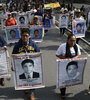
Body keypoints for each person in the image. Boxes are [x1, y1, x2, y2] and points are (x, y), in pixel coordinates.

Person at [12, 28, 40, 100]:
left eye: (26, 36)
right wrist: (13, 65)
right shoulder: (17, 45)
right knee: (24, 77)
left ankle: (32, 93)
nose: (25, 37)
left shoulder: (33, 44)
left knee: (32, 77)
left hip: (31, 65)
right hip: (21, 65)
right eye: (23, 36)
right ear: (21, 36)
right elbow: (13, 56)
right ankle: (25, 87)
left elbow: (38, 54)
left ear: (29, 36)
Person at [56, 34, 81, 99]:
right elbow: (57, 54)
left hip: (73, 66)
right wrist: (65, 58)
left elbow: (79, 54)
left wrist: (75, 58)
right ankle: (63, 93)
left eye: (74, 41)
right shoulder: (62, 46)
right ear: (67, 40)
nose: (73, 42)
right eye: (71, 41)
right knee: (63, 79)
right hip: (64, 65)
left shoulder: (76, 46)